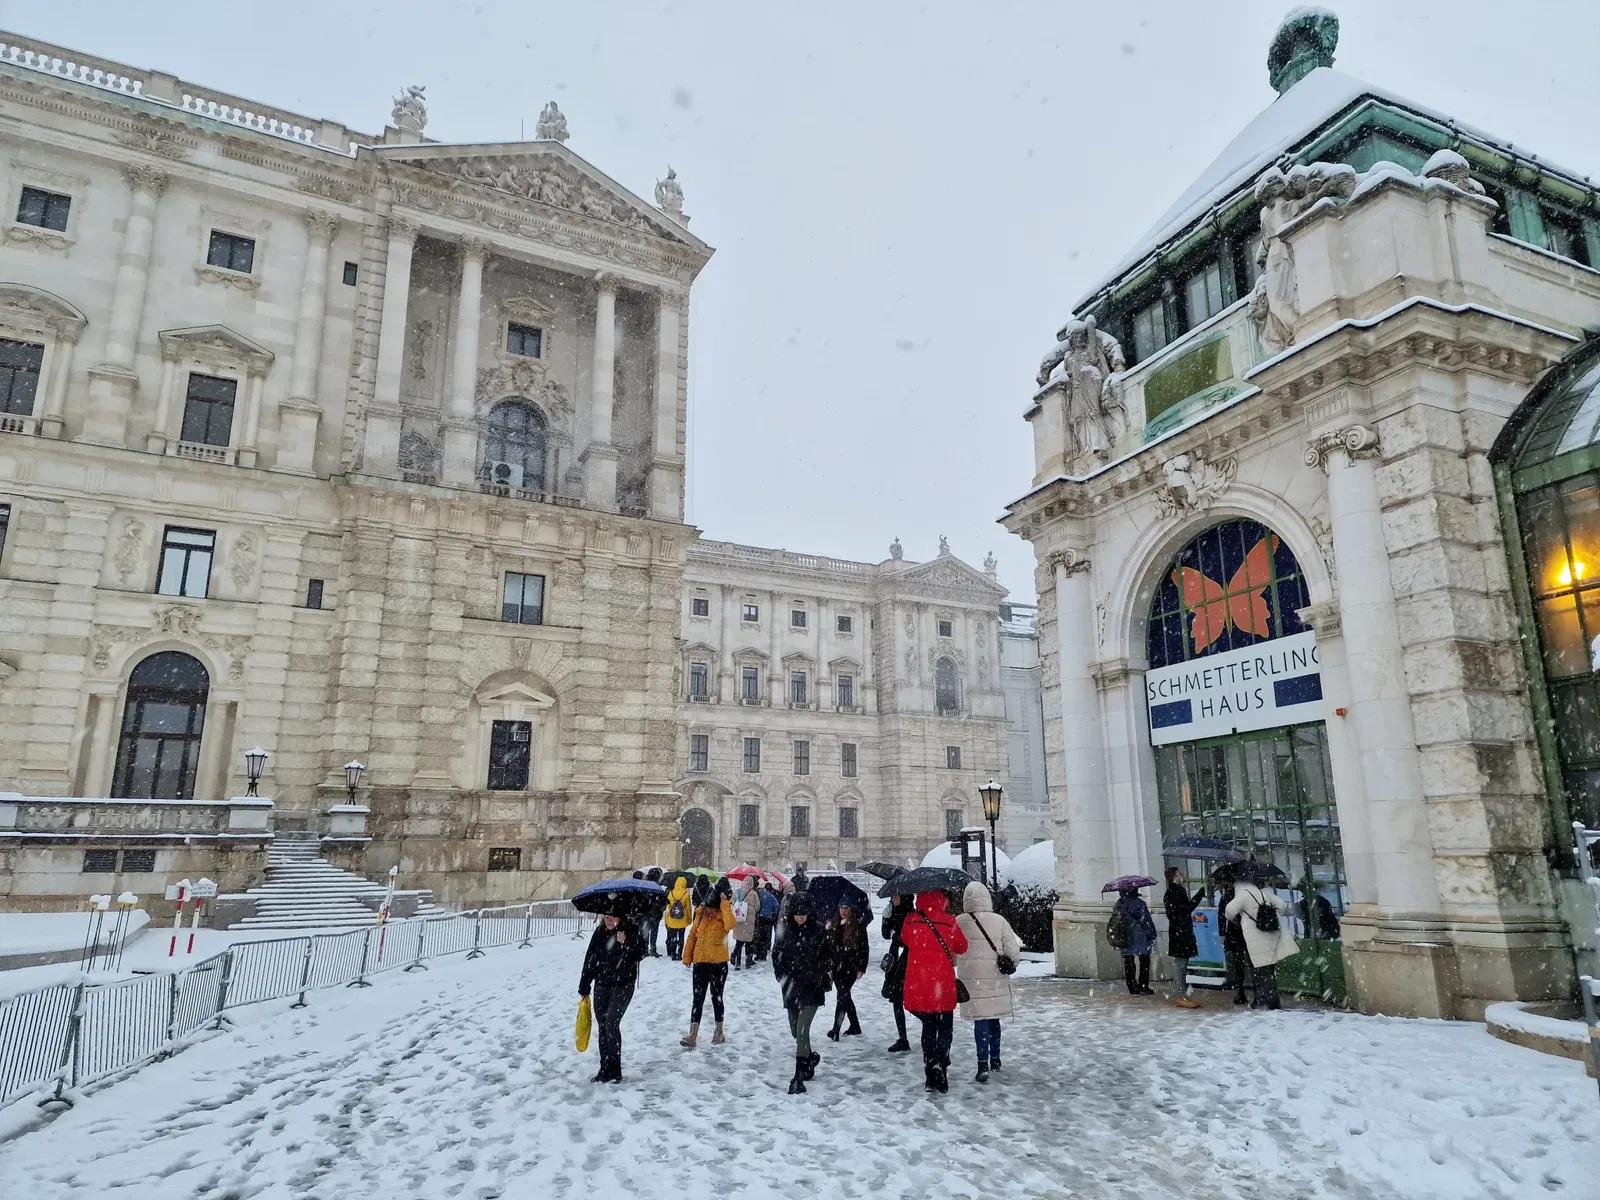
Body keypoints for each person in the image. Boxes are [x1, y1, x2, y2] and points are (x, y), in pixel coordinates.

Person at [899, 889, 968, 1093]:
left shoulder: (911, 920)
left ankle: (930, 1071)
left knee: (928, 1028)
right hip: (942, 982)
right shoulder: (949, 920)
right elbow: (962, 947)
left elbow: (904, 939)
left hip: (919, 982)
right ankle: (941, 1064)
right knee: (945, 1027)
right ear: (943, 900)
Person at [954, 880, 1023, 1083]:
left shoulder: (959, 921)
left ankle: (982, 1063)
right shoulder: (999, 921)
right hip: (995, 977)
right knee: (993, 1018)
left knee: (980, 1020)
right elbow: (1013, 951)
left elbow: (955, 951)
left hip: (971, 978)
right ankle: (996, 1059)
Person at [772, 891, 832, 1093]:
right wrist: (780, 974)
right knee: (795, 1030)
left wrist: (818, 975)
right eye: (796, 913)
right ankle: (809, 1059)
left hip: (811, 988)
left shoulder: (818, 931)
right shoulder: (785, 930)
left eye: (803, 913)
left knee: (802, 1030)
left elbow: (828, 957)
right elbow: (776, 953)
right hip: (790, 987)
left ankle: (798, 1077)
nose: (800, 917)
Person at [577, 912, 645, 1083]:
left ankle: (615, 1069)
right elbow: (590, 959)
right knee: (602, 1025)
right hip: (602, 983)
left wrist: (626, 942)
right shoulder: (599, 934)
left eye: (613, 917)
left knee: (611, 1023)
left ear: (620, 918)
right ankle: (604, 1068)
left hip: (623, 984)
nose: (609, 921)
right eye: (606, 917)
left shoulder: (631, 931)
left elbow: (640, 954)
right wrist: (584, 985)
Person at [1225, 878, 1298, 1010]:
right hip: (1271, 932)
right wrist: (1270, 917)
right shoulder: (1263, 893)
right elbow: (1282, 905)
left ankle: (1270, 1002)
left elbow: (1229, 911)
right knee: (1269, 969)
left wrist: (1237, 918)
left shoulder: (1243, 895)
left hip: (1256, 936)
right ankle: (1262, 999)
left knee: (1260, 970)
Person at [679, 876, 735, 1047]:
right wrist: (687, 956)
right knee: (698, 998)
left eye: (712, 907)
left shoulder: (724, 915)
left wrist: (725, 904)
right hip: (700, 962)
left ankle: (719, 1032)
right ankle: (692, 1035)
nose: (709, 910)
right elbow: (692, 936)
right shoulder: (701, 914)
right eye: (708, 906)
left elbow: (731, 924)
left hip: (718, 964)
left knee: (716, 998)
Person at [1163, 867, 1204, 1009]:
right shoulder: (1176, 892)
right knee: (1181, 966)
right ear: (1174, 877)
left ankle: (1182, 994)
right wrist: (1199, 895)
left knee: (1182, 965)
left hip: (1179, 933)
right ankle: (1180, 995)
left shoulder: (1172, 892)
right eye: (1180, 874)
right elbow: (1186, 909)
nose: (1183, 876)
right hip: (1181, 933)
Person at [826, 904, 869, 1041]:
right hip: (836, 966)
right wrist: (828, 930)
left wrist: (862, 967)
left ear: (851, 910)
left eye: (847, 908)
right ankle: (855, 1026)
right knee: (845, 996)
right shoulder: (834, 923)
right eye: (841, 908)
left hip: (851, 966)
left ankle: (835, 1029)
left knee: (842, 997)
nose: (843, 911)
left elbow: (864, 947)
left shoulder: (857, 925)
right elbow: (829, 945)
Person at [880, 894, 913, 1053]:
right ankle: (903, 1037)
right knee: (896, 999)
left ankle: (930, 1028)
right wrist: (886, 918)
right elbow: (885, 934)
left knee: (912, 1000)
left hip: (908, 959)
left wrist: (898, 936)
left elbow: (910, 938)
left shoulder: (912, 914)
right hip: (895, 959)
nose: (893, 899)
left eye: (896, 897)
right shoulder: (892, 912)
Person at [1111, 887, 1157, 996]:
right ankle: (1143, 985)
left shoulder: (1118, 904)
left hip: (1125, 936)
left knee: (1128, 961)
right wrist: (1152, 934)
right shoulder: (1140, 903)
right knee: (1144, 960)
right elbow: (1146, 921)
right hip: (1139, 935)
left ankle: (1131, 985)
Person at [1216, 873, 1251, 1005]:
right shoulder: (1246, 893)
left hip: (1235, 932)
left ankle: (1240, 990)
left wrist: (1223, 933)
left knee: (1238, 962)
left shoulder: (1229, 895)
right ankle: (1246, 990)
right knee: (1248, 961)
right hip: (1246, 931)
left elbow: (1222, 914)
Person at [730, 876, 761, 970]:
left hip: (739, 920)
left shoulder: (737, 891)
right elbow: (758, 907)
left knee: (739, 942)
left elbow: (731, 902)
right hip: (749, 922)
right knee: (749, 943)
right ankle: (748, 962)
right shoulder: (753, 893)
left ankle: (737, 963)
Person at [663, 874, 692, 961]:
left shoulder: (671, 893)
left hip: (672, 919)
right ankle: (679, 954)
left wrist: (667, 920)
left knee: (673, 938)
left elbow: (668, 907)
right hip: (682, 919)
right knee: (681, 938)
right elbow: (688, 908)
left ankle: (673, 954)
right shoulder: (686, 894)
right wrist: (689, 919)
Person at [755, 880, 780, 962]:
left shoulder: (757, 895)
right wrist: (773, 913)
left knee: (759, 936)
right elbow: (776, 904)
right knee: (766, 936)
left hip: (759, 917)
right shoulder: (769, 895)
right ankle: (763, 954)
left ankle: (758, 954)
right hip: (768, 918)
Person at [644, 866, 665, 957]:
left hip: (647, 913)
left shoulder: (645, 886)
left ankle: (645, 949)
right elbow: (663, 901)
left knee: (646, 931)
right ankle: (652, 949)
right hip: (656, 913)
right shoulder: (657, 888)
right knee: (653, 932)